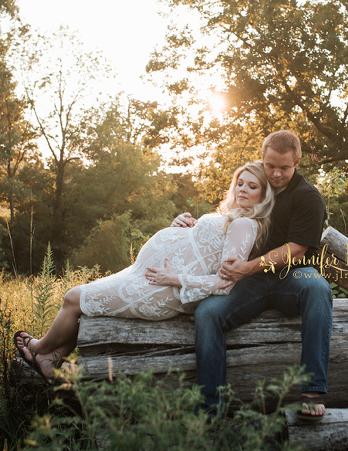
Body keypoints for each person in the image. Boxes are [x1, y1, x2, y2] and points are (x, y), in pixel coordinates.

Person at [14, 161, 275, 383]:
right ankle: (50, 359)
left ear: (263, 195)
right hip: (149, 277)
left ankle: (38, 348)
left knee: (74, 298)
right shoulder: (232, 216)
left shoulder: (245, 224)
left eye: (252, 187)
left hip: (165, 290)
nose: (243, 189)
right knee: (81, 300)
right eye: (240, 182)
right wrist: (181, 230)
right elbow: (202, 250)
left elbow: (224, 283)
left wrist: (175, 278)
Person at [172, 131, 331, 420]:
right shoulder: (258, 183)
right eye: (270, 165)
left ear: (297, 161)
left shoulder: (308, 197)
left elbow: (295, 250)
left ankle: (312, 390)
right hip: (251, 282)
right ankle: (209, 410)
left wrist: (247, 267)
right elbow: (224, 219)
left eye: (284, 167)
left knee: (317, 286)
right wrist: (187, 224)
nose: (276, 173)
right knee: (208, 313)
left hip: (291, 276)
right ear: (263, 157)